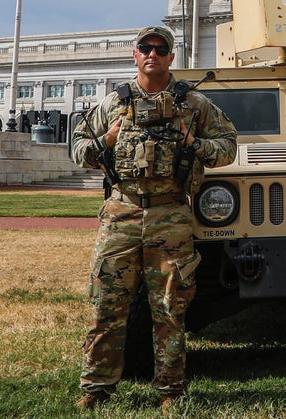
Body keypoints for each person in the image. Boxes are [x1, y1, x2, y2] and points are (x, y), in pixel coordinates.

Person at [70, 26, 237, 414]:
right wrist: (105, 143)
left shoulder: (194, 105)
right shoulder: (113, 103)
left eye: (161, 49)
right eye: (146, 48)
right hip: (121, 212)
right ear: (135, 55)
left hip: (170, 213)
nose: (153, 54)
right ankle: (96, 387)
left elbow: (228, 147)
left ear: (171, 57)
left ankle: (171, 390)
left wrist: (193, 143)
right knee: (107, 303)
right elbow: (77, 148)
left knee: (170, 305)